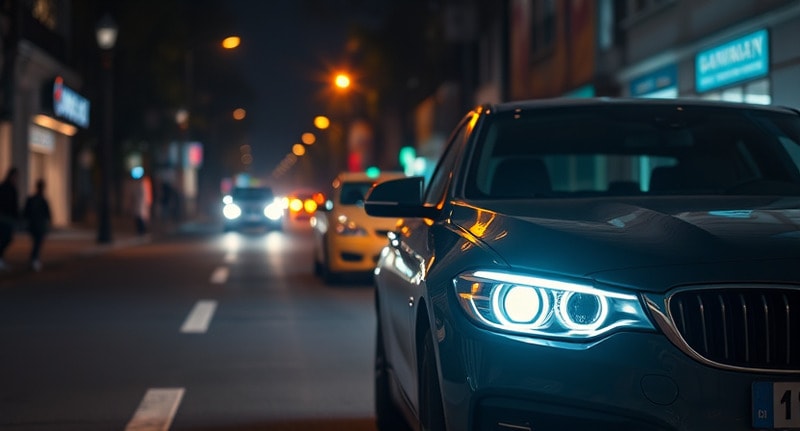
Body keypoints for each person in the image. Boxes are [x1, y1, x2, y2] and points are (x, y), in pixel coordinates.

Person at [23, 179, 51, 272]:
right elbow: (48, 214)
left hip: (34, 225)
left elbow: (26, 212)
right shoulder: (41, 200)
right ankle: (34, 259)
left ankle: (34, 259)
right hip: (38, 225)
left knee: (36, 242)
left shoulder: (33, 199)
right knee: (37, 243)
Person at [0, 167, 19, 270]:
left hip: (8, 217)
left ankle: (1, 258)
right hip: (4, 217)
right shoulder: (6, 187)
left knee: (6, 238)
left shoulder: (11, 188)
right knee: (5, 238)